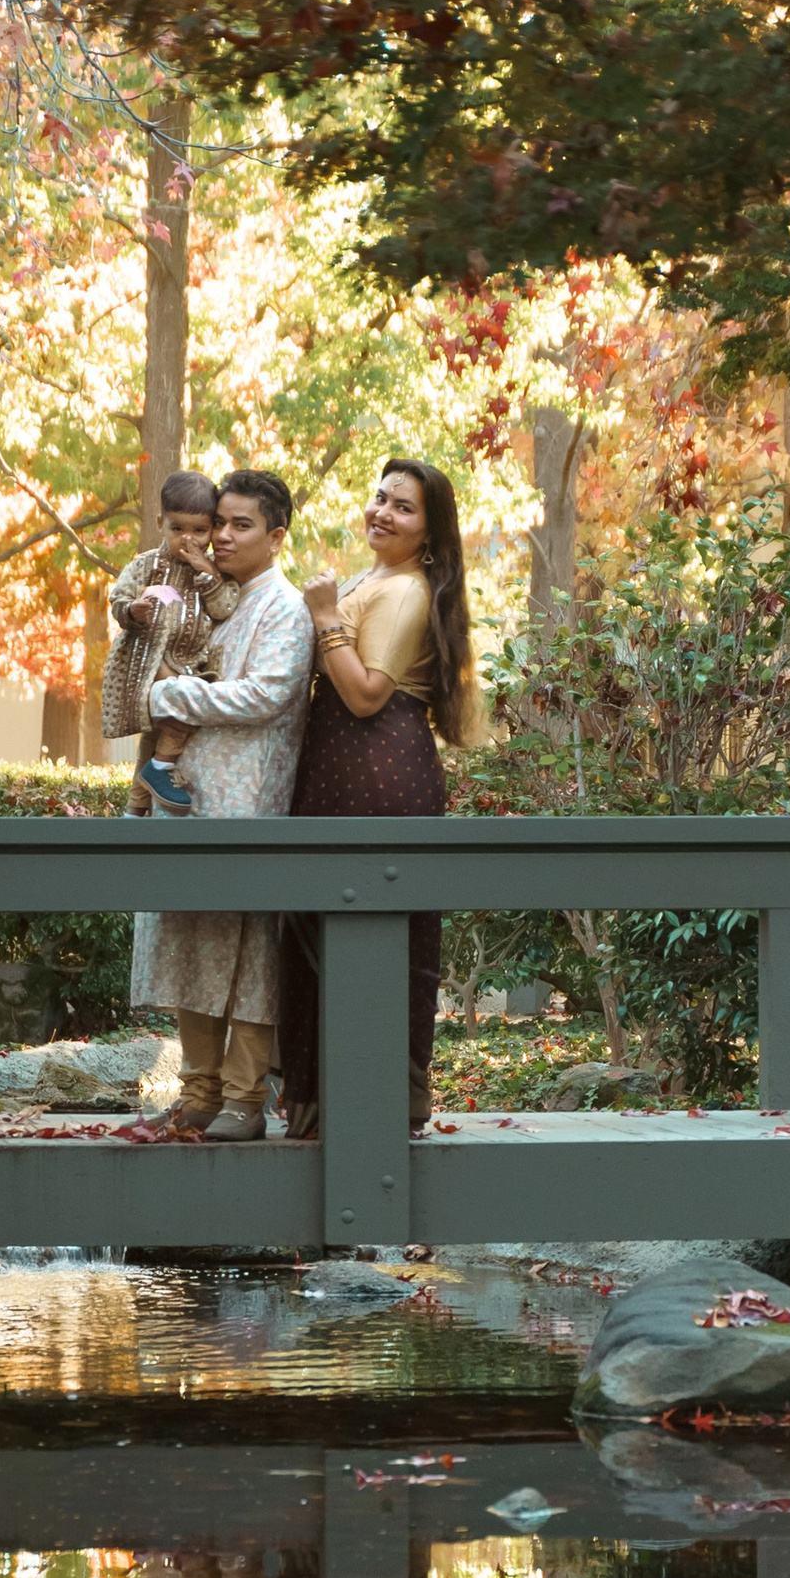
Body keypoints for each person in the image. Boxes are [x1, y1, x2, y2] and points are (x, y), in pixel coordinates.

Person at [277, 454, 479, 1138]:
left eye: (402, 507)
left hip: (377, 768)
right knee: (314, 927)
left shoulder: (408, 590)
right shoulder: (377, 577)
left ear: (429, 530)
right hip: (340, 767)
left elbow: (365, 694)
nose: (382, 512)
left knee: (383, 936)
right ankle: (318, 1105)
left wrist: (326, 612)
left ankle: (384, 1107)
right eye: (379, 497)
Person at [127, 470, 315, 1142]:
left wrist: (166, 697)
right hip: (187, 797)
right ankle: (198, 1091)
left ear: (276, 536)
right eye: (220, 523)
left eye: (242, 525)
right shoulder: (210, 599)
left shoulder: (283, 608)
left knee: (250, 954)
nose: (224, 536)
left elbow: (263, 696)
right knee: (189, 944)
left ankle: (243, 1096)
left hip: (250, 801)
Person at [101, 472, 239, 815]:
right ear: (161, 523)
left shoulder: (213, 570)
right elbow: (119, 595)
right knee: (179, 715)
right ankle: (161, 770)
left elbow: (224, 607)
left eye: (199, 531)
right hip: (149, 660)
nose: (187, 539)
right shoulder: (147, 564)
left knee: (156, 734)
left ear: (211, 529)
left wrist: (206, 573)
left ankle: (136, 807)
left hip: (189, 663)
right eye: (178, 529)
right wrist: (132, 610)